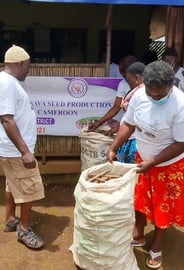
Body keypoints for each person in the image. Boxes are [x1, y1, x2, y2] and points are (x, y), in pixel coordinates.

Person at [107, 61, 184, 268]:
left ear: (170, 86)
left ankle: (157, 244)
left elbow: (181, 143)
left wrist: (155, 161)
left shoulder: (180, 104)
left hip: (169, 165)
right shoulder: (140, 95)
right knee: (139, 201)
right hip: (144, 160)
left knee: (162, 208)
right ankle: (138, 235)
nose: (154, 98)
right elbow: (129, 124)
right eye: (151, 94)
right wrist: (114, 146)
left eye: (160, 95)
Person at [0, 45, 45, 249]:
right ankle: (24, 229)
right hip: (16, 151)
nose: (29, 69)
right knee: (30, 188)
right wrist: (25, 151)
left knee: (14, 183)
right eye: (28, 65)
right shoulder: (7, 84)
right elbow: (6, 119)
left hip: (11, 149)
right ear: (20, 63)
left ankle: (10, 219)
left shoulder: (9, 82)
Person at [87, 55, 137, 136]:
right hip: (127, 129)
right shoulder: (123, 84)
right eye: (124, 76)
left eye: (127, 76)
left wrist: (117, 129)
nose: (126, 79)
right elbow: (116, 106)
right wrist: (99, 123)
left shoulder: (146, 87)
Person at [116, 61, 145, 163]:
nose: (128, 83)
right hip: (129, 137)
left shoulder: (142, 94)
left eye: (129, 80)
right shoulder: (136, 91)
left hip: (135, 139)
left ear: (137, 78)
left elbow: (135, 121)